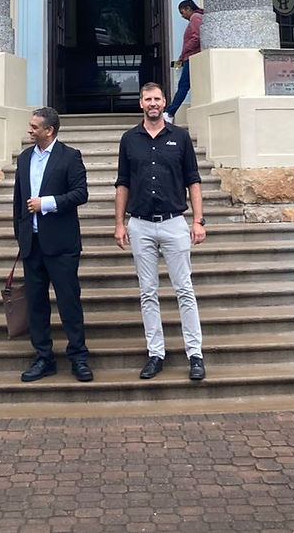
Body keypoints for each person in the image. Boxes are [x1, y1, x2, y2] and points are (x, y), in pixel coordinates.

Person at [114, 80, 207, 382]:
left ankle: (195, 354)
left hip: (174, 223)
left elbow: (193, 180)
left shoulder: (180, 137)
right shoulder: (129, 139)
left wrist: (198, 220)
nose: (153, 103)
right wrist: (119, 224)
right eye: (147, 99)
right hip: (140, 224)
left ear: (165, 102)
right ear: (140, 103)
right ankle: (156, 353)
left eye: (157, 99)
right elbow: (122, 183)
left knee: (184, 290)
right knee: (148, 293)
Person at [12, 106, 92, 383]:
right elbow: (18, 201)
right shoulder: (24, 159)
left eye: (34, 127)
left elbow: (81, 193)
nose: (29, 130)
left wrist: (47, 203)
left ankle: (78, 357)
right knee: (36, 304)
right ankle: (43, 357)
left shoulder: (69, 157)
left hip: (61, 245)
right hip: (32, 245)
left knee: (69, 303)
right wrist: (20, 236)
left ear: (49, 130)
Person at [166, 0, 203, 122]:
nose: (182, 16)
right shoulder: (197, 17)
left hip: (191, 57)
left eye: (182, 12)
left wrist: (185, 51)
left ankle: (169, 113)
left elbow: (197, 37)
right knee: (185, 85)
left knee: (183, 86)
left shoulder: (195, 17)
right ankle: (169, 113)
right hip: (189, 57)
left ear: (188, 8)